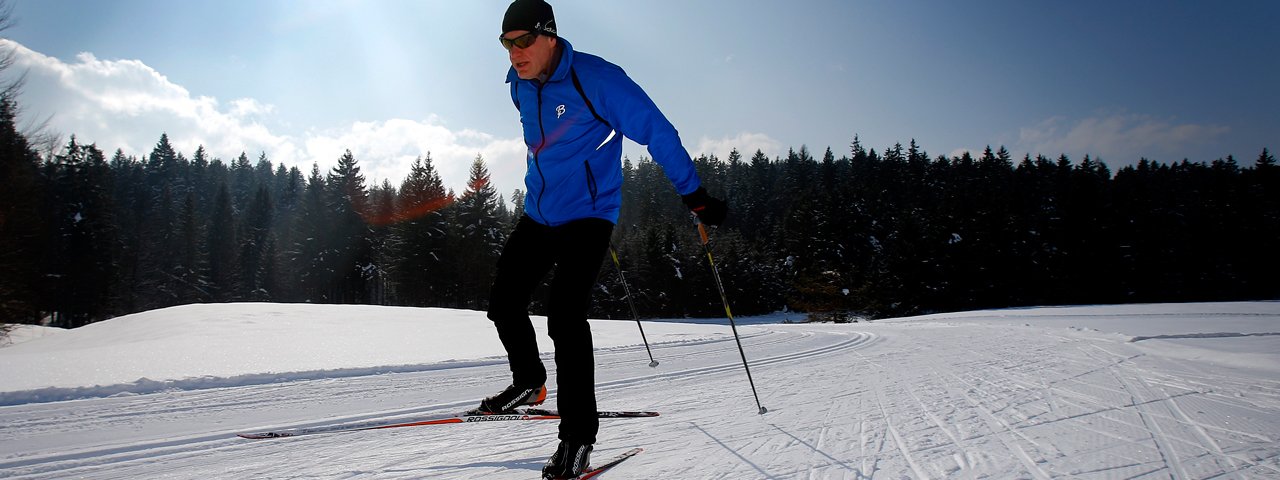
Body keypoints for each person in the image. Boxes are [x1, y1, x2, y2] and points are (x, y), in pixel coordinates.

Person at [480, 0, 727, 477]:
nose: (515, 52)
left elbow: (656, 130)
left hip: (589, 215)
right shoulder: (519, 86)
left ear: (549, 35)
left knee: (565, 318)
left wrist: (694, 194)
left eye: (524, 40)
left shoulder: (596, 78)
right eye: (506, 44)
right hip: (539, 214)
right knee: (503, 302)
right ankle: (530, 383)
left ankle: (576, 438)